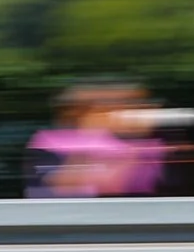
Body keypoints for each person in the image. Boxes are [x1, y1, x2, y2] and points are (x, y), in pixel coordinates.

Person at [25, 83, 170, 198]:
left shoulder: (154, 145)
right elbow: (64, 191)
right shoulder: (50, 143)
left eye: (139, 105)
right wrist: (91, 136)